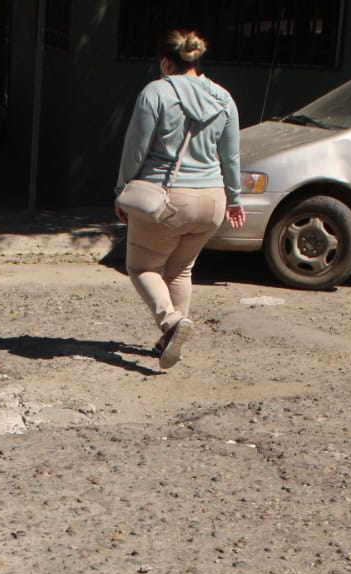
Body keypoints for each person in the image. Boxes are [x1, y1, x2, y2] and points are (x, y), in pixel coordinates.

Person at [115, 29, 244, 369]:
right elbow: (231, 157)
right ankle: (171, 343)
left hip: (167, 199)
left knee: (141, 267)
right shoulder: (224, 98)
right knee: (181, 269)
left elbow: (136, 148)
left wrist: (122, 188)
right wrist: (234, 198)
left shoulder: (156, 92)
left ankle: (171, 323)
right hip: (213, 201)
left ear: (164, 62)